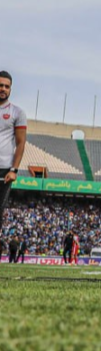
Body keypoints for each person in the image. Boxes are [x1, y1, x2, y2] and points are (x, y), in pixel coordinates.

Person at [0, 70, 28, 235]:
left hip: (4, 169)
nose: (3, 88)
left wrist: (14, 169)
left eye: (6, 86)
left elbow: (21, 142)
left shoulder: (17, 113)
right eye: (0, 85)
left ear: (10, 89)